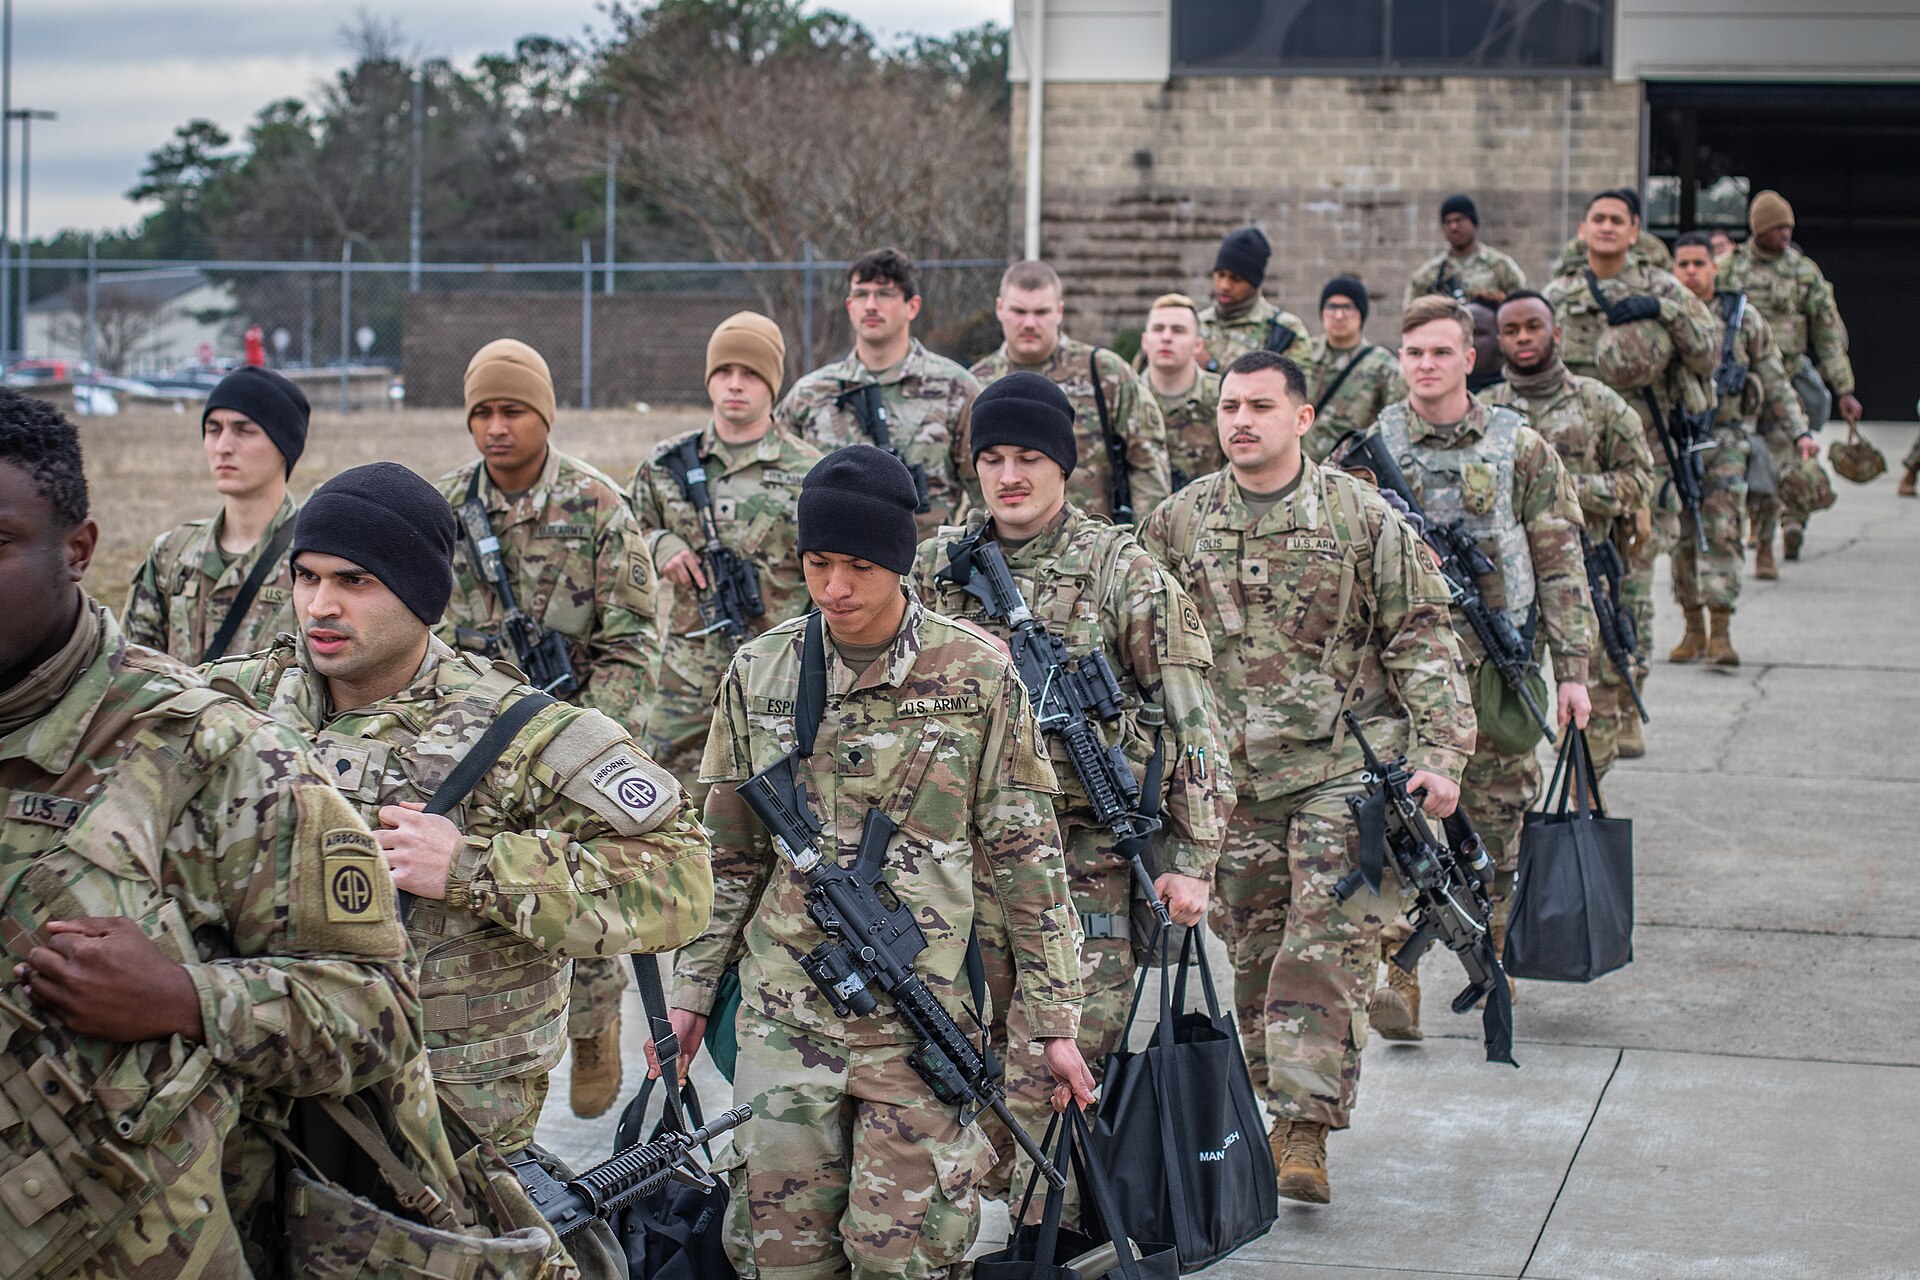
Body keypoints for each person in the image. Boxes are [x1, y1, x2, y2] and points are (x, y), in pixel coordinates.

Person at [0, 389, 422, 1275]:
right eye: (309, 579)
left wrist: (190, 1000)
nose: (322, 603)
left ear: (77, 549)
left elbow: (377, 1012)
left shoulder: (211, 751)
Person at [666, 445, 1095, 1278]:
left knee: (903, 1259)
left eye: (859, 566)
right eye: (818, 563)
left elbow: (1028, 859)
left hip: (919, 1020)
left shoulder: (976, 674)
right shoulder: (761, 670)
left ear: (900, 562)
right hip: (785, 1018)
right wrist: (688, 998)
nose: (835, 589)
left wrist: (1053, 1021)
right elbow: (725, 857)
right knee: (780, 1256)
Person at [205, 461, 714, 1157]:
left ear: (419, 594)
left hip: (442, 1141)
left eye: (355, 581)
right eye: (307, 576)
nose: (321, 605)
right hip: (254, 1107)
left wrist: (475, 870)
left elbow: (682, 880)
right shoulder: (241, 701)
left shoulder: (518, 732)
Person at [1139, 351, 1472, 1204]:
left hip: (1342, 772)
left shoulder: (1359, 516)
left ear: (1303, 418)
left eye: (1259, 405)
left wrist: (1441, 753)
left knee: (1323, 947)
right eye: (1227, 407)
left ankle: (1304, 1128)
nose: (1240, 420)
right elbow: (1135, 642)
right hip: (1227, 784)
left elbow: (1423, 632)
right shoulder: (1178, 522)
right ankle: (1274, 1100)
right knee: (1252, 951)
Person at [909, 373, 1232, 1200]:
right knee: (963, 1062)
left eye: (1028, 458)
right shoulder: (937, 569)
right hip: (958, 864)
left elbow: (1192, 721)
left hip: (1084, 857)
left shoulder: (1122, 573)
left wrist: (1191, 857)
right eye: (992, 458)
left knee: (1058, 1069)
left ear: (1065, 467)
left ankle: (1052, 1232)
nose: (1008, 476)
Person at [434, 337, 661, 1117]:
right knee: (477, 891)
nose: (497, 428)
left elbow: (635, 643)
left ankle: (595, 1023)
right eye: (484, 413)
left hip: (573, 742)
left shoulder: (598, 508)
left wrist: (590, 744)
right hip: (465, 745)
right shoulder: (443, 510)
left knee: (574, 884)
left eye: (514, 411)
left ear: (544, 415)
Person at [1357, 296, 1594, 1028]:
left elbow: (1559, 559)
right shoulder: (1368, 449)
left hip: (1496, 667)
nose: (1425, 365)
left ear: (1469, 358)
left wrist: (1576, 669)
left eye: (1440, 352)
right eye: (1413, 353)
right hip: (1399, 672)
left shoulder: (1516, 444)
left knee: (1497, 822)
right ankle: (1395, 967)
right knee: (1394, 820)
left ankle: (1489, 947)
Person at [1544, 189, 1717, 760]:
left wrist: (1663, 310)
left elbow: (1708, 352)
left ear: (1635, 228)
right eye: (1599, 219)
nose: (1607, 228)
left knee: (1632, 589)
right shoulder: (1561, 294)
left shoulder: (1662, 287)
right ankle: (1587, 704)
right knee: (1574, 592)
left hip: (1643, 468)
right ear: (1584, 227)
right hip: (1571, 469)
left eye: (1618, 220)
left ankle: (1630, 695)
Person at [630, 312, 823, 792]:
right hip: (685, 671)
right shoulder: (666, 464)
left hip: (779, 671)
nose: (735, 385)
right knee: (661, 792)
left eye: (751, 374)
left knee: (780, 800)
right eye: (724, 372)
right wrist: (660, 544)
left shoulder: (810, 470)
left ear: (772, 384)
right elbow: (626, 531)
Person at [1481, 289, 1654, 778]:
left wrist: (1558, 488)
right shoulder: (1484, 410)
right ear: (1499, 340)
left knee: (1591, 694)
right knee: (1503, 704)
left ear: (1556, 332)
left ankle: (1582, 799)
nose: (1523, 338)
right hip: (1502, 582)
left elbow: (1639, 480)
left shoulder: (1599, 403)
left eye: (1533, 326)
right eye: (1511, 330)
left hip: (1585, 568)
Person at [1668, 232, 1812, 664]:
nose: (1692, 271)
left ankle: (1721, 631)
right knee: (1682, 538)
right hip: (1677, 443)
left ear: (1715, 266)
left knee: (1724, 531)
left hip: (1726, 437)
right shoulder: (1664, 316)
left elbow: (1773, 378)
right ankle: (1692, 626)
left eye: (1700, 263)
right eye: (1684, 264)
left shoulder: (1742, 318)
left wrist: (1800, 430)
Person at [775, 248, 982, 536]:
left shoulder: (957, 389)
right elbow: (773, 486)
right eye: (861, 294)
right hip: (830, 570)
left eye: (885, 294)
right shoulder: (810, 394)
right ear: (849, 305)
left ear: (912, 305)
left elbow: (987, 492)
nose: (871, 305)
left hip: (922, 570)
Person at [122, 365, 309, 662]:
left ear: (283, 445)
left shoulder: (312, 560)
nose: (223, 447)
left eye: (244, 430)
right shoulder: (171, 554)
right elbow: (131, 674)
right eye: (213, 429)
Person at [971, 259, 1171, 523]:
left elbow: (1147, 462)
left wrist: (1142, 542)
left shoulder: (1104, 372)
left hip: (1097, 549)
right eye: (1019, 311)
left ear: (1059, 311)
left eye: (1041, 312)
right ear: (999, 308)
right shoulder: (975, 384)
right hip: (1001, 551)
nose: (1029, 323)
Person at [1722, 190, 1858, 565]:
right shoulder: (1730, 269)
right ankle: (1762, 533)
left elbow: (1828, 335)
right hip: (1744, 384)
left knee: (1788, 455)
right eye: (1777, 227)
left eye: (1788, 227)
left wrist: (1844, 388)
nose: (1785, 233)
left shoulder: (1803, 272)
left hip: (1789, 378)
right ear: (1758, 230)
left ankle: (1788, 524)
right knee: (1756, 461)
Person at [1299, 275, 1402, 463]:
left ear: (1361, 314)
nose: (1339, 315)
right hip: (1301, 466)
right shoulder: (1304, 354)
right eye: (1332, 307)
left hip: (1352, 470)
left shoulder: (1381, 364)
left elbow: (1395, 422)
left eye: (1347, 307)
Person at [1196, 226, 1312, 371]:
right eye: (1220, 274)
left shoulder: (1284, 332)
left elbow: (1295, 390)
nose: (1225, 286)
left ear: (1253, 283)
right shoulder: (1195, 324)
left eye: (1236, 279)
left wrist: (1211, 367)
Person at [1141, 292, 1224, 489]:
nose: (1166, 338)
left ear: (1198, 345)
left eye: (1178, 330)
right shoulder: (1125, 398)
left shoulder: (1223, 396)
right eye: (1158, 329)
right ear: (1145, 341)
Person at [1403, 194, 1527, 307]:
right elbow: (1412, 314)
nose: (1453, 227)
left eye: (1459, 220)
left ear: (1473, 223)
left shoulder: (1499, 266)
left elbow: (1520, 305)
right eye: (1448, 222)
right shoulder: (1429, 274)